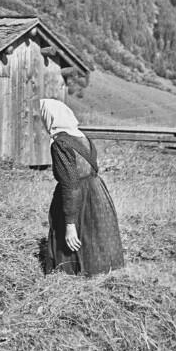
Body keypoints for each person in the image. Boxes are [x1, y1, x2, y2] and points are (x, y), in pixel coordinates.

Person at [40, 98, 124, 275]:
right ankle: (101, 272)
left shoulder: (61, 143)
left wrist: (70, 223)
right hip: (97, 191)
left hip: (77, 195)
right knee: (94, 234)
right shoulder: (82, 137)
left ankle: (71, 275)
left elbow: (70, 183)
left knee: (74, 235)